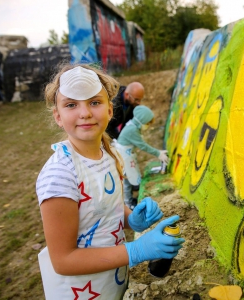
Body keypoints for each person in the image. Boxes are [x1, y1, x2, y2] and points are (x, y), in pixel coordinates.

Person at [36, 65, 184, 299]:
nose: (84, 113)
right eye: (71, 104)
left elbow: (108, 208)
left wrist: (131, 219)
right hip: (83, 292)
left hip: (113, 282)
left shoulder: (109, 154)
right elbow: (63, 261)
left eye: (94, 102)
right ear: (58, 116)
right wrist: (137, 250)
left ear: (109, 110)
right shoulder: (59, 175)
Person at [114, 105, 169, 210]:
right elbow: (142, 145)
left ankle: (130, 197)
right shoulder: (132, 130)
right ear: (142, 121)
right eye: (148, 123)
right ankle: (128, 203)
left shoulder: (133, 126)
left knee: (130, 176)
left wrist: (158, 152)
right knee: (126, 178)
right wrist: (158, 154)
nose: (148, 126)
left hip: (126, 154)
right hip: (123, 156)